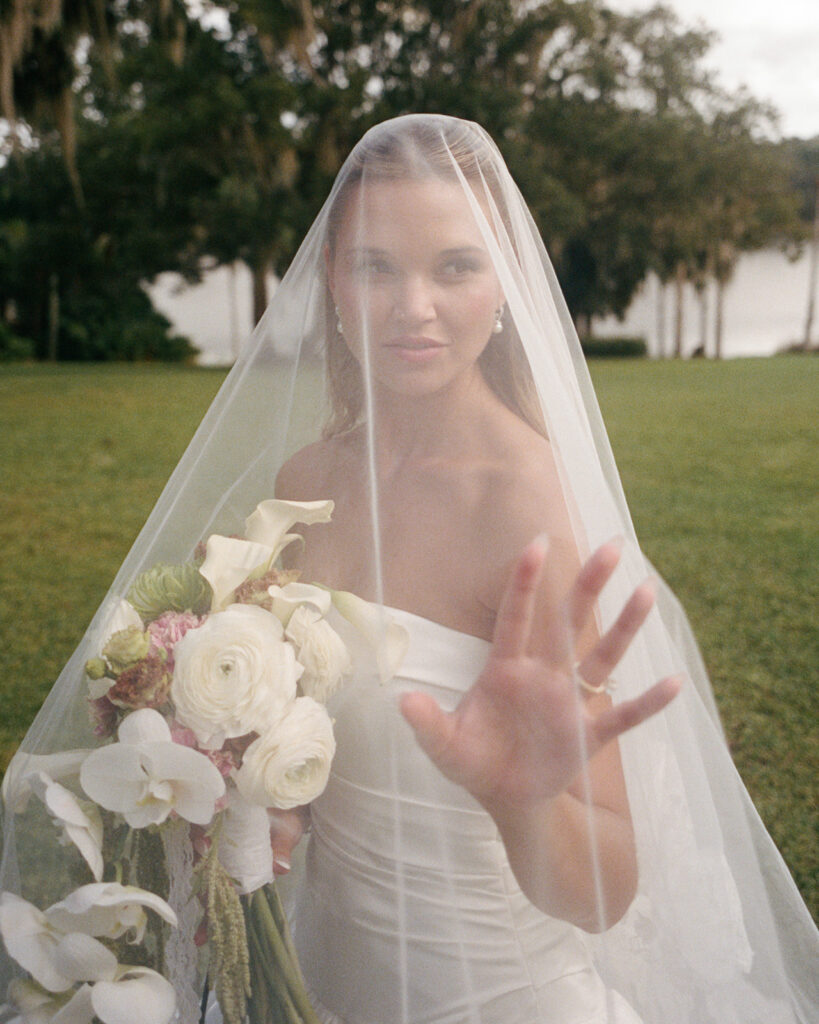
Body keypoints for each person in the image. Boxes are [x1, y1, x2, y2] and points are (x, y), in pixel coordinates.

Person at [1, 115, 816, 1024]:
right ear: (334, 285)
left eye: (455, 266)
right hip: (315, 973)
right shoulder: (304, 483)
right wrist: (263, 792)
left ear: (503, 284)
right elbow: (313, 727)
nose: (411, 306)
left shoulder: (530, 513)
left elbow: (603, 895)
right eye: (376, 266)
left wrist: (520, 800)